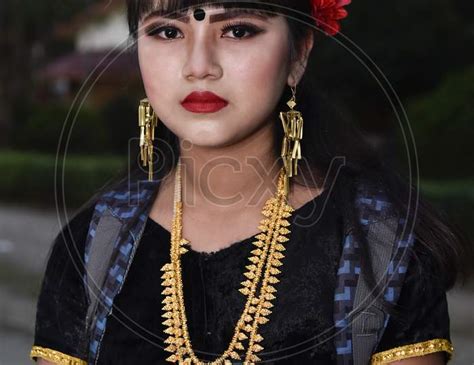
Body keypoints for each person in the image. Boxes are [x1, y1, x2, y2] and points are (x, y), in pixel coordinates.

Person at [29, 1, 471, 364]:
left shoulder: (379, 245)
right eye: (167, 31)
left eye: (238, 30)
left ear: (298, 55)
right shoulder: (93, 244)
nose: (199, 66)